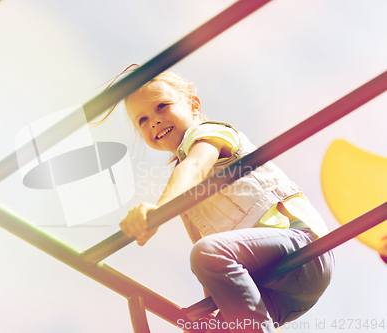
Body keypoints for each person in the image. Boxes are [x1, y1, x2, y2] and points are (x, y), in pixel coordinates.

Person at [99, 69, 334, 332]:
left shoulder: (208, 135)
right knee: (210, 327)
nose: (154, 121)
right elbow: (211, 267)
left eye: (162, 106)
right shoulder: (187, 197)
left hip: (300, 248)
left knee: (208, 253)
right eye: (142, 120)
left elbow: (196, 165)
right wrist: (213, 310)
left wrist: (157, 212)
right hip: (273, 287)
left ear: (193, 105)